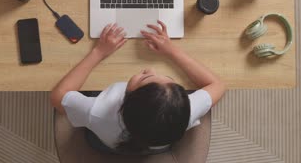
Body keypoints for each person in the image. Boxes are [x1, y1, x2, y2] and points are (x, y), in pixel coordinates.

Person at [51, 20, 226, 154]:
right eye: (168, 79)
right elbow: (217, 85)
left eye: (146, 77)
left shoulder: (97, 111)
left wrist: (98, 52)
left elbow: (58, 97)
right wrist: (173, 51)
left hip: (108, 143)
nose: (150, 69)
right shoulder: (183, 112)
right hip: (156, 145)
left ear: (124, 101)